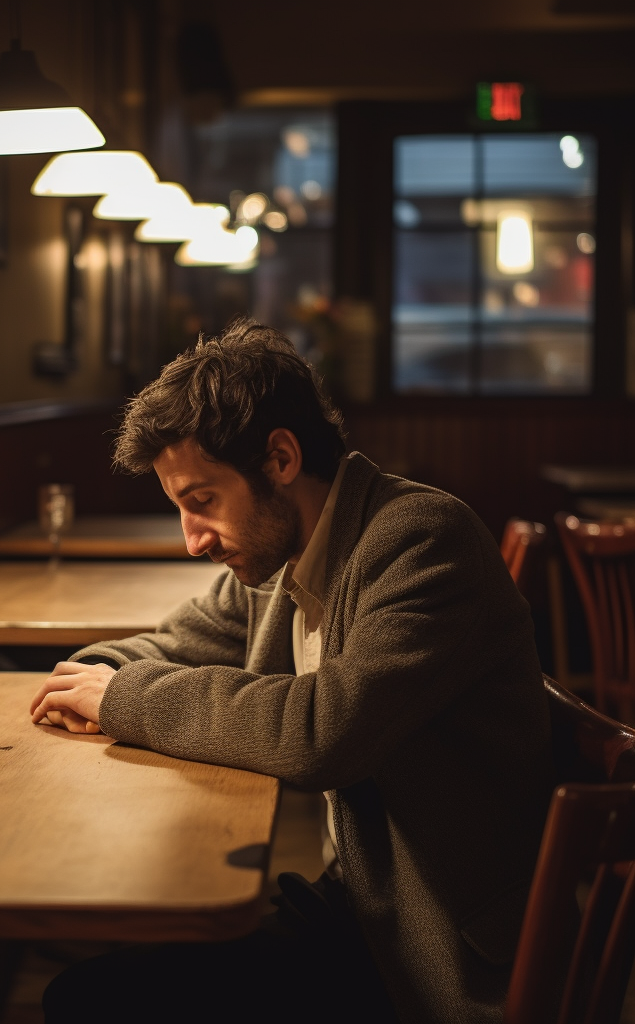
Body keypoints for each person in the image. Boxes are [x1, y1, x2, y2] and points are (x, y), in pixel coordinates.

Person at [30, 317, 554, 1024]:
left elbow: (323, 731)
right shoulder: (280, 554)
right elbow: (177, 641)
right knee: (90, 993)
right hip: (362, 908)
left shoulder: (421, 540)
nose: (192, 541)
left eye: (202, 502)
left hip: (438, 958)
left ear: (279, 459)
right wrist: (88, 675)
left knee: (92, 1002)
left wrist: (121, 696)